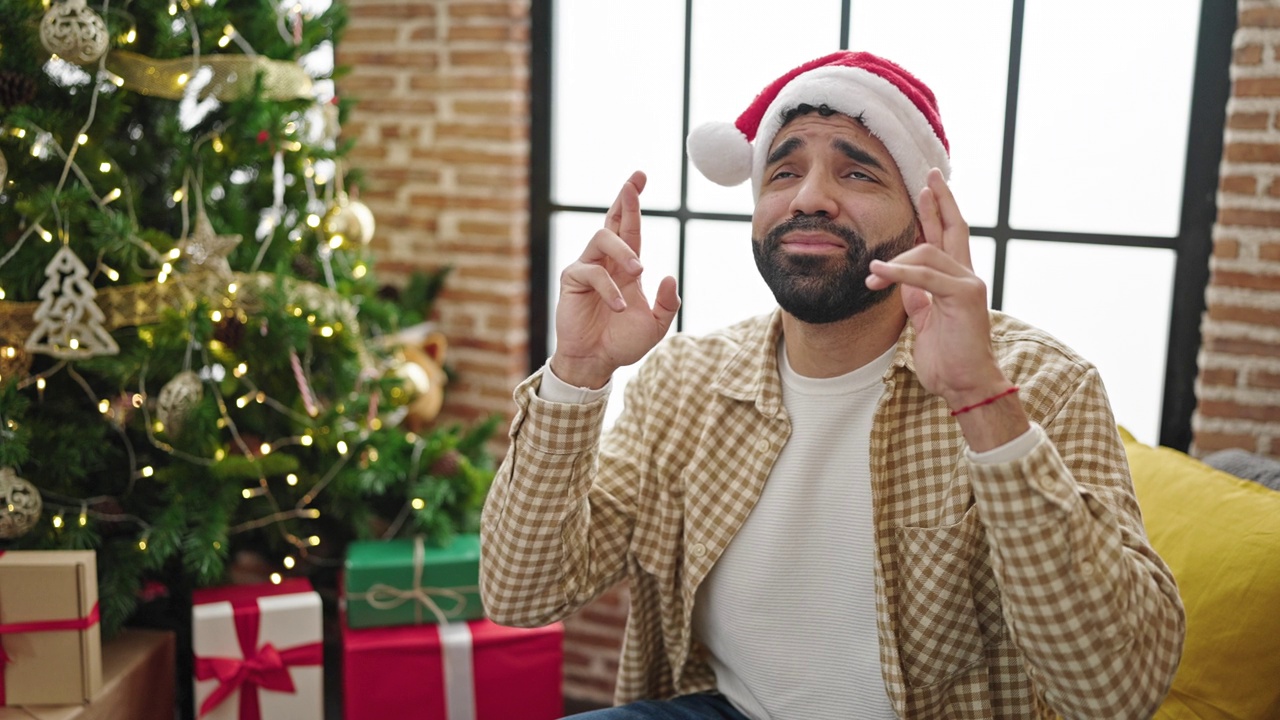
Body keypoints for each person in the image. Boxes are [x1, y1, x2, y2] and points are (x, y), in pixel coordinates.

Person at [480, 50, 1185, 719]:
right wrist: (577, 373)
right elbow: (519, 591)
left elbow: (1113, 695)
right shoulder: (683, 383)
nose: (809, 198)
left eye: (857, 174)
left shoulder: (1043, 384)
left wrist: (979, 398)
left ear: (924, 221)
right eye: (782, 175)